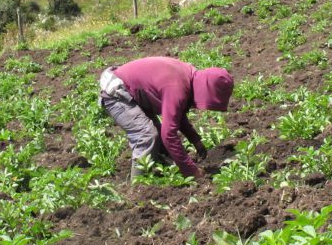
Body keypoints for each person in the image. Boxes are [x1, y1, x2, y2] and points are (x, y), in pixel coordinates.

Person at [99, 57, 234, 181]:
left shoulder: (189, 76)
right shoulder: (177, 87)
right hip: (117, 93)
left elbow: (178, 114)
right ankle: (138, 187)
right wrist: (192, 171)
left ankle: (161, 171)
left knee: (159, 141)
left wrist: (196, 140)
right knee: (146, 135)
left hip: (133, 92)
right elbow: (169, 135)